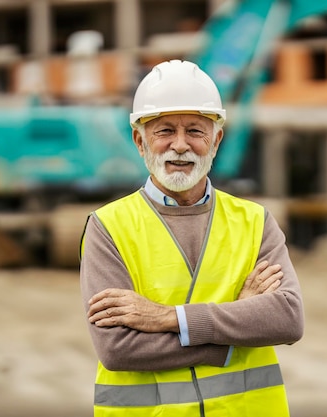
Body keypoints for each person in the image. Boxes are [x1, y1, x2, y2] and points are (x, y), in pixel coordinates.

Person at [79, 59, 304, 416]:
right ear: (140, 141)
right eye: (164, 130)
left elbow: (287, 319)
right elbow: (117, 348)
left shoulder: (255, 221)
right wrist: (230, 336)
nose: (180, 146)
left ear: (216, 140)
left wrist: (169, 318)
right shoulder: (108, 227)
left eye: (196, 131)